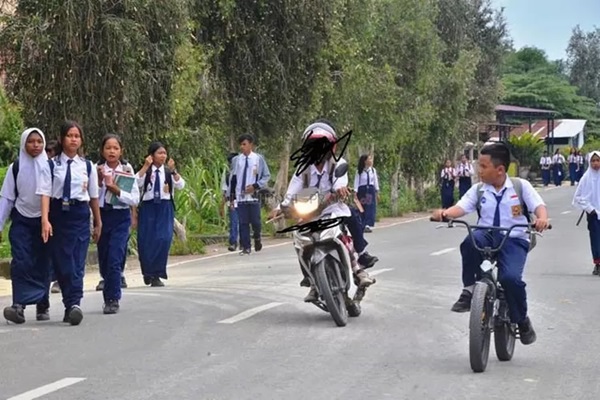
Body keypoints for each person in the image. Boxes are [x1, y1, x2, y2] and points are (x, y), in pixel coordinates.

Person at [431, 142, 550, 345]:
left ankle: (521, 319)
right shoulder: (479, 190)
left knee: (510, 278)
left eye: (484, 166)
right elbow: (461, 207)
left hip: (514, 238)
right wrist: (444, 214)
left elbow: (539, 207)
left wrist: (542, 219)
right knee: (470, 241)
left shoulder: (520, 186)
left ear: (500, 169)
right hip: (486, 234)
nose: (479, 171)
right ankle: (470, 290)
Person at [270, 120, 378, 302]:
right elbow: (291, 192)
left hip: (333, 207)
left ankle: (358, 268)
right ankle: (311, 281)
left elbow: (340, 182)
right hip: (309, 213)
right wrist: (279, 208)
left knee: (349, 218)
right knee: (298, 241)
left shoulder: (338, 164)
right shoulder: (302, 169)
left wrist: (341, 189)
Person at [39, 120, 102, 326]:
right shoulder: (51, 165)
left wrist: (98, 222)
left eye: (77, 136)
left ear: (81, 140)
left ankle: (74, 304)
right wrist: (45, 220)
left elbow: (93, 196)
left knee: (76, 261)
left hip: (79, 214)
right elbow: (46, 194)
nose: (73, 139)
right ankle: (70, 303)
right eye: (70, 135)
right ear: (62, 138)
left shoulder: (87, 166)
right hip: (58, 214)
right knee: (62, 262)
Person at [1, 128, 52, 324]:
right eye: (31, 141)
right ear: (24, 143)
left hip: (45, 221)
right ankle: (18, 306)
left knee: (43, 263)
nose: (36, 145)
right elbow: (6, 199)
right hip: (22, 220)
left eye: (39, 141)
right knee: (21, 262)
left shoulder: (49, 166)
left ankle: (42, 304)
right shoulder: (16, 168)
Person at [95, 134, 140, 314]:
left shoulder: (127, 170)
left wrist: (117, 191)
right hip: (102, 216)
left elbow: (135, 198)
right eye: (108, 148)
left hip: (121, 217)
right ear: (102, 150)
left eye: (115, 148)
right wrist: (99, 182)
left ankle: (112, 299)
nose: (112, 151)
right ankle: (108, 288)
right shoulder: (95, 169)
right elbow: (92, 197)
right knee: (105, 259)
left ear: (121, 151)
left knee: (115, 256)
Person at [135, 142, 185, 286]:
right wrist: (145, 166)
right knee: (146, 241)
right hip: (148, 208)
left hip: (165, 207)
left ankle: (157, 273)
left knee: (164, 239)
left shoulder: (168, 172)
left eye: (164, 153)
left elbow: (181, 185)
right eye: (159, 153)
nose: (163, 156)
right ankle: (148, 272)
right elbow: (135, 182)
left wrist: (174, 171)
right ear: (152, 155)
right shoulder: (147, 171)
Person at [228, 134, 271, 255]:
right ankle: (246, 247)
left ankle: (257, 237)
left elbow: (266, 175)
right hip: (240, 196)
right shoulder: (237, 160)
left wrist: (255, 186)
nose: (242, 147)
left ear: (251, 145)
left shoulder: (258, 159)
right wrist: (231, 198)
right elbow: (233, 179)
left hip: (253, 196)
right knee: (243, 223)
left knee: (256, 222)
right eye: (240, 145)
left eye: (244, 144)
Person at [572, 150, 600, 275]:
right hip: (593, 215)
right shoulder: (586, 178)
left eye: (598, 160)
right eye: (593, 161)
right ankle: (598, 263)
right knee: (595, 239)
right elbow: (578, 197)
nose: (595, 163)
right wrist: (589, 209)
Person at [45, 139, 62, 294]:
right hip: (43, 213)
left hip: (60, 213)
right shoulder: (45, 167)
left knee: (60, 248)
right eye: (47, 151)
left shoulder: (59, 168)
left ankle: (58, 280)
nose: (48, 155)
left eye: (52, 152)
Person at [354, 154, 380, 232]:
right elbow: (356, 182)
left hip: (370, 191)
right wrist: (355, 192)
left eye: (371, 159)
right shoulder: (359, 171)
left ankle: (367, 225)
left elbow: (375, 181)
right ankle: (362, 224)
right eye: (369, 159)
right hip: (362, 191)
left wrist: (377, 192)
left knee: (370, 208)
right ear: (365, 161)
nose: (371, 161)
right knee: (362, 207)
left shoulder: (373, 170)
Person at [221, 152, 239, 251]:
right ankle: (233, 242)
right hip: (232, 201)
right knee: (234, 222)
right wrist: (222, 204)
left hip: (244, 201)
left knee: (242, 222)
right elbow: (224, 191)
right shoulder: (228, 175)